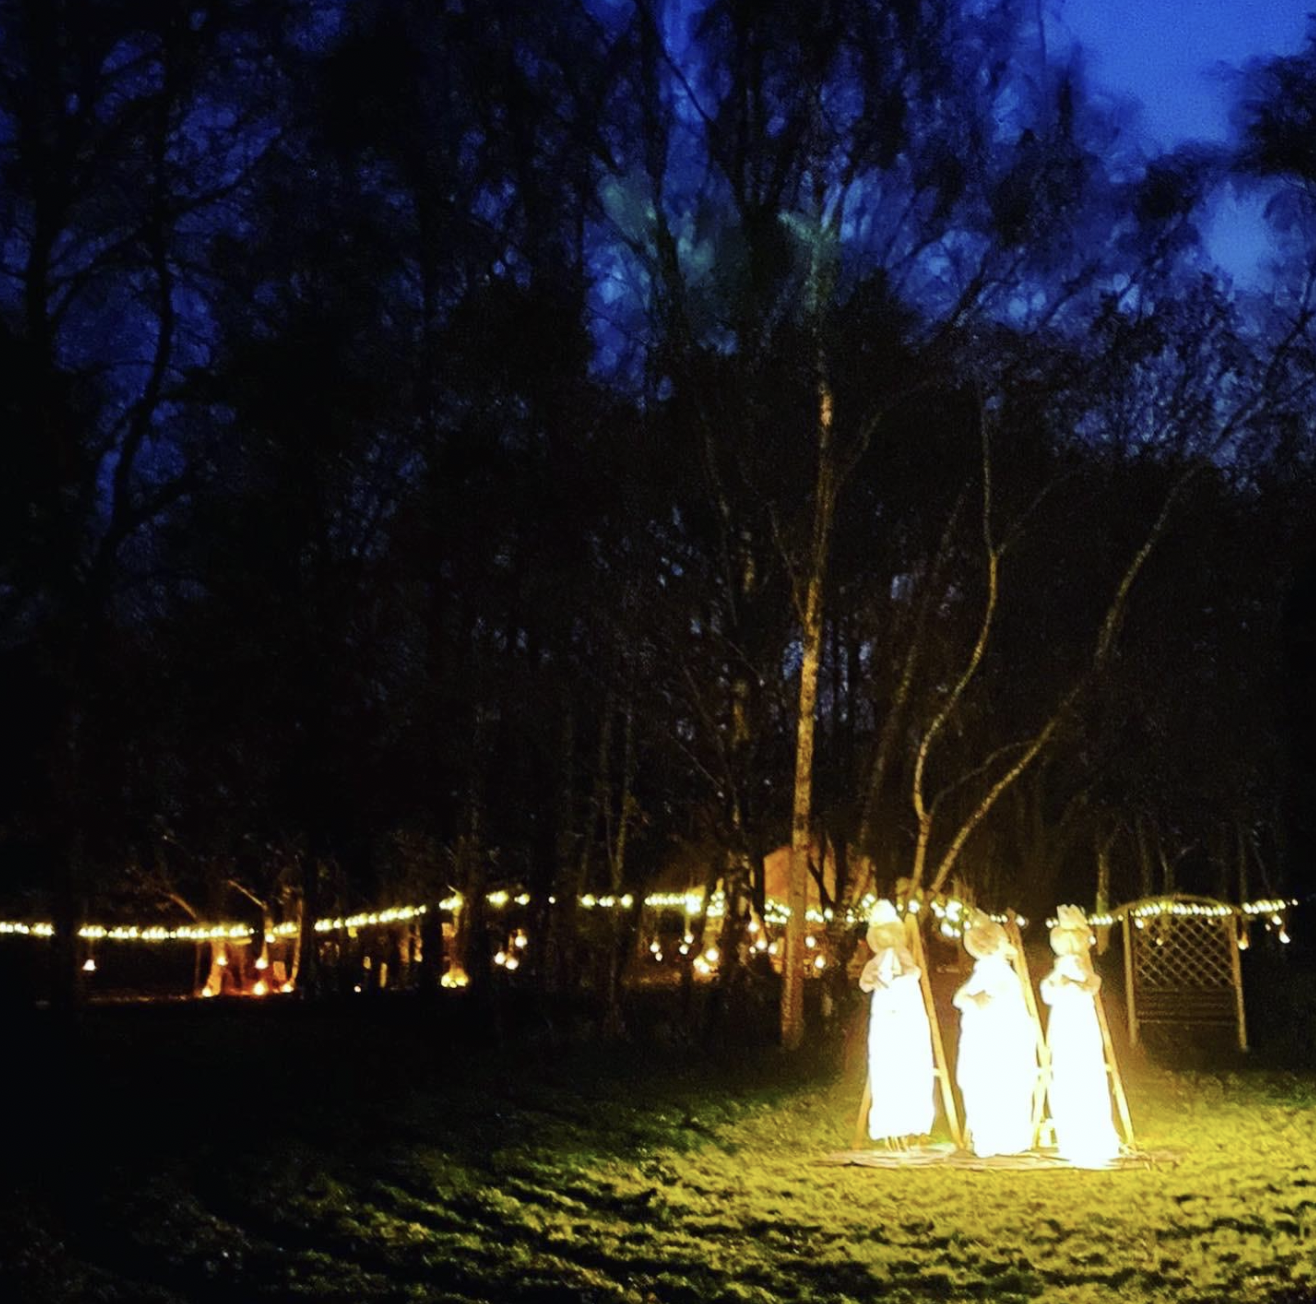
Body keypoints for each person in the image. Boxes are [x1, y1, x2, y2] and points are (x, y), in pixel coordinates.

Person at [1040, 904, 1121, 1167]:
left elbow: (1091, 985)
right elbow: (1048, 989)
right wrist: (1058, 984)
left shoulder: (1080, 965)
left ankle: (1090, 1133)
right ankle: (1072, 1132)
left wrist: (1072, 985)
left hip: (1079, 1020)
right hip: (1064, 1021)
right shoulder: (1062, 965)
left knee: (1083, 1069)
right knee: (1067, 1070)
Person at [953, 912, 1038, 1157]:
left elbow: (1006, 1002)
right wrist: (973, 998)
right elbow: (959, 998)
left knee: (1004, 1084)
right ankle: (988, 1136)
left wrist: (980, 1000)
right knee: (981, 1083)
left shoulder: (1004, 975)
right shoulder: (982, 972)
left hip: (1002, 1039)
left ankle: (1007, 1137)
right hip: (982, 1040)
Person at [859, 900, 935, 1146]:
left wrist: (898, 978)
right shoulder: (878, 958)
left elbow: (914, 972)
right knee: (885, 1061)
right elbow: (864, 982)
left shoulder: (900, 953)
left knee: (909, 1062)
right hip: (884, 1011)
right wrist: (873, 979)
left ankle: (912, 1123)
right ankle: (889, 1123)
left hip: (904, 1008)